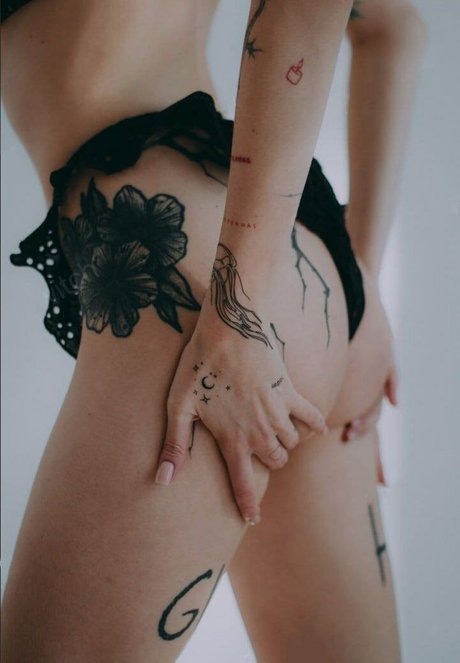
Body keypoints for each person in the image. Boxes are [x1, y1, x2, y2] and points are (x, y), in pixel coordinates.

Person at [1, 0, 426, 660]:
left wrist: (237, 309)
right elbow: (395, 29)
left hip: (191, 278)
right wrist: (359, 282)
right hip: (292, 265)